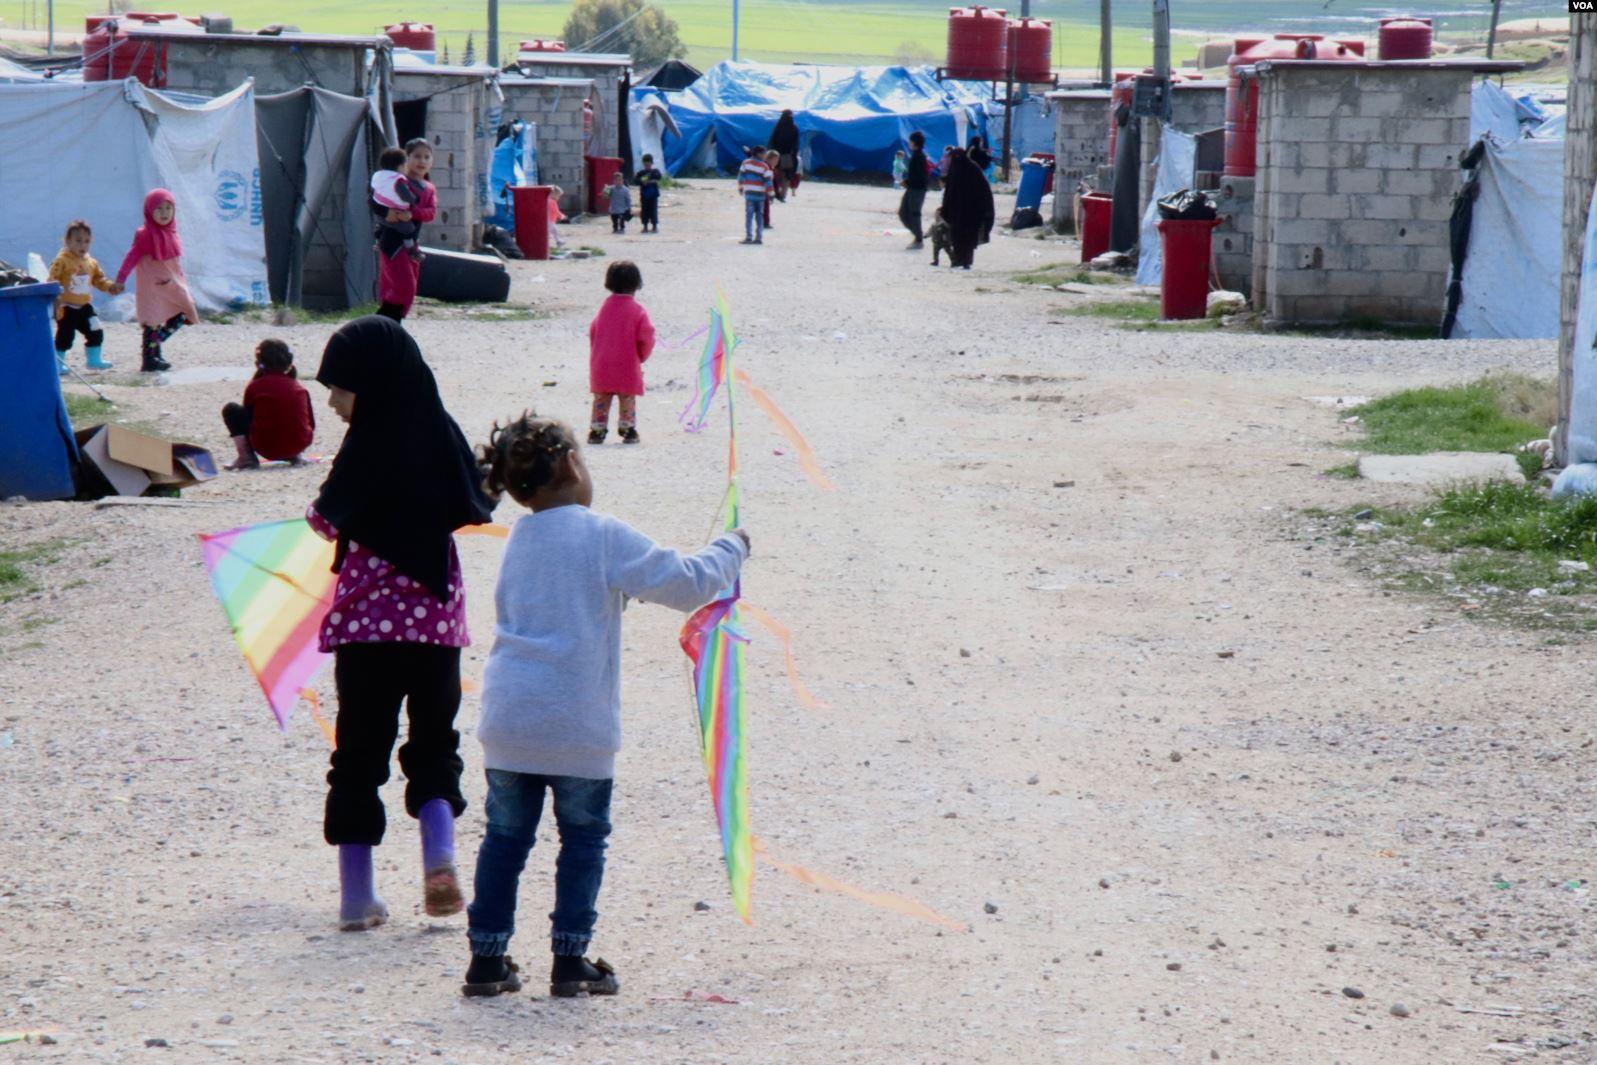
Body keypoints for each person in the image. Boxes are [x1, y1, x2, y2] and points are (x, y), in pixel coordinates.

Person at [460, 411, 750, 1000]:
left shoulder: (520, 539)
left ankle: (487, 962)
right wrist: (733, 547)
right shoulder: (601, 533)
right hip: (578, 724)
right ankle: (570, 962)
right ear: (571, 462)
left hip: (510, 720)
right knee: (584, 840)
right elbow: (689, 582)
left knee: (505, 841)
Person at [307, 316, 496, 932]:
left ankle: (356, 896)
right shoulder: (437, 430)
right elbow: (475, 499)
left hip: (365, 634)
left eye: (340, 389)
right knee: (435, 741)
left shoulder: (363, 446)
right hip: (434, 628)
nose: (334, 403)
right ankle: (439, 859)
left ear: (372, 383)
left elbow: (324, 519)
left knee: (358, 754)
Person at [115, 189, 198, 373]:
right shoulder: (145, 234)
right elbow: (132, 257)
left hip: (170, 285)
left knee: (183, 313)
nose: (164, 213)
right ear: (149, 211)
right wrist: (121, 278)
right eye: (159, 208)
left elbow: (175, 265)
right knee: (153, 321)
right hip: (152, 287)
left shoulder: (172, 233)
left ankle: (152, 350)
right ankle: (151, 359)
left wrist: (183, 286)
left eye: (168, 208)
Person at [220, 339, 315, 471]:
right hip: (298, 445)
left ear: (258, 363)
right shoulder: (299, 388)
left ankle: (246, 457)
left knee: (231, 410)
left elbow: (248, 416)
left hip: (265, 447)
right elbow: (311, 422)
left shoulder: (255, 386)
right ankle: (295, 455)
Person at [587, 260, 655, 445]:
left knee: (601, 398)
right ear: (636, 283)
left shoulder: (605, 307)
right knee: (627, 398)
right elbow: (646, 336)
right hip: (626, 364)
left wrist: (597, 353)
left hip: (602, 363)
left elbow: (593, 331)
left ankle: (597, 430)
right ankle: (627, 428)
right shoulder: (637, 310)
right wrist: (641, 356)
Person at [48, 219, 122, 374]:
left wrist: (110, 286)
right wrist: (55, 298)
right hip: (67, 306)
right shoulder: (62, 261)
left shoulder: (91, 262)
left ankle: (93, 359)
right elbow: (52, 280)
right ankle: (57, 362)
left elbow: (98, 279)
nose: (83, 245)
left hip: (84, 306)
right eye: (78, 241)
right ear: (68, 241)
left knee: (95, 329)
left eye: (86, 241)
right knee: (65, 336)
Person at [375, 139, 437, 322]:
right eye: (417, 156)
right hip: (392, 242)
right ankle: (383, 325)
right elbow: (374, 201)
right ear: (406, 159)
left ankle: (390, 325)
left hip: (411, 245)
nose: (422, 161)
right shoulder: (396, 182)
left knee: (407, 290)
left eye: (427, 157)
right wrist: (387, 214)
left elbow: (431, 213)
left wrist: (413, 213)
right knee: (402, 287)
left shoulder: (429, 188)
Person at [939, 147, 996, 270]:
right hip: (958, 211)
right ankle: (958, 260)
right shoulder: (957, 169)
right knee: (957, 236)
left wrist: (984, 208)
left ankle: (966, 261)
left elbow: (984, 190)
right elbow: (949, 191)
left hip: (971, 211)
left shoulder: (972, 169)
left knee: (968, 237)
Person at [370, 147, 421, 260]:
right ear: (400, 166)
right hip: (397, 218)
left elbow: (372, 194)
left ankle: (378, 241)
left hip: (381, 217)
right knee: (409, 229)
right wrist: (414, 199)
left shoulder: (379, 176)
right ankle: (412, 250)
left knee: (381, 227)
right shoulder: (398, 180)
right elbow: (406, 196)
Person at [737, 145, 773, 246]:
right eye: (764, 153)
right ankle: (759, 237)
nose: (765, 155)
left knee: (749, 216)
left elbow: (741, 176)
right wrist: (770, 194)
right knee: (759, 217)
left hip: (749, 195)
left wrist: (740, 187)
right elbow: (768, 182)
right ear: (759, 154)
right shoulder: (764, 166)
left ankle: (748, 237)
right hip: (760, 195)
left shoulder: (745, 163)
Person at [898, 131, 929, 249]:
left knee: (914, 213)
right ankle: (917, 235)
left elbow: (920, 176)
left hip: (917, 190)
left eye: (911, 141)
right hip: (912, 188)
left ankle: (919, 239)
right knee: (903, 212)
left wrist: (907, 182)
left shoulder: (920, 157)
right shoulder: (915, 155)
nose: (909, 143)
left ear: (915, 143)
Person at [768, 108, 800, 201]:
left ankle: (774, 193)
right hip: (787, 156)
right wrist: (793, 155)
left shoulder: (778, 127)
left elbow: (772, 141)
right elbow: (796, 144)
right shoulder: (794, 128)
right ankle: (782, 195)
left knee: (774, 174)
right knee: (786, 176)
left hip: (776, 155)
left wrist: (770, 153)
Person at [635, 156, 663, 233]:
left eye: (648, 164)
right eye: (645, 164)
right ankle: (645, 226)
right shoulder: (641, 173)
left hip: (653, 196)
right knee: (644, 211)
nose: (647, 165)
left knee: (653, 211)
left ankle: (654, 227)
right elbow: (636, 181)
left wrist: (650, 180)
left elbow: (659, 176)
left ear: (651, 163)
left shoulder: (655, 171)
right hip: (644, 195)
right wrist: (642, 181)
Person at [763, 149, 782, 230]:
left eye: (778, 160)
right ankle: (765, 223)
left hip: (767, 191)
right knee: (765, 207)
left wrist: (777, 189)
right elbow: (771, 181)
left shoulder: (771, 167)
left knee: (765, 207)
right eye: (775, 160)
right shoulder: (766, 167)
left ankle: (764, 222)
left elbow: (774, 180)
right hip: (764, 190)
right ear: (768, 159)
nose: (777, 162)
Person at [547, 186, 568, 250]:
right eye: (559, 196)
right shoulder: (552, 202)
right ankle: (556, 242)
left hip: (548, 220)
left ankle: (558, 241)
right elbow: (556, 211)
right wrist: (562, 216)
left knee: (553, 231)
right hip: (550, 220)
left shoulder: (547, 200)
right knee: (552, 232)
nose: (559, 198)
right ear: (554, 194)